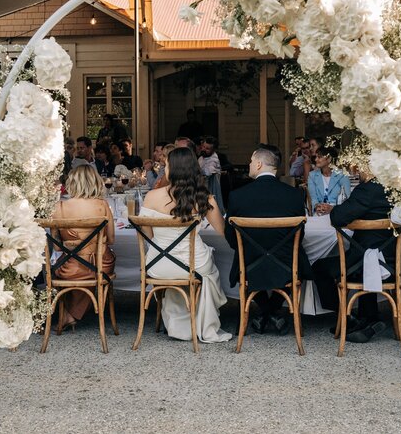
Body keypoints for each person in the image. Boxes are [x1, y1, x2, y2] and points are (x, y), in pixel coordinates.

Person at [137, 147, 231, 343]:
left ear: (173, 169)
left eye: (167, 165)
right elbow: (223, 232)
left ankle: (179, 323)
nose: (165, 168)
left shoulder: (151, 197)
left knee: (187, 267)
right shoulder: (204, 198)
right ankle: (200, 320)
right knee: (210, 270)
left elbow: (149, 234)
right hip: (193, 265)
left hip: (158, 266)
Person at [313, 163, 401, 343]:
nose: (356, 171)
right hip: (395, 262)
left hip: (366, 262)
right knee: (366, 254)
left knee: (320, 267)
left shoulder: (368, 190)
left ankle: (346, 316)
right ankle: (369, 317)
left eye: (359, 167)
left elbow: (338, 217)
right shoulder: (398, 188)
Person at [224, 144, 310, 334]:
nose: (249, 164)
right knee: (299, 263)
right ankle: (273, 311)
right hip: (287, 265)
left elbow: (230, 237)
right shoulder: (295, 195)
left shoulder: (238, 196)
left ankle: (265, 311)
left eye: (251, 161)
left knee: (245, 263)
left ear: (260, 165)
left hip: (250, 266)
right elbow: (299, 236)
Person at [50, 165, 116, 328]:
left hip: (70, 269)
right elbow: (112, 239)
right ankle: (71, 315)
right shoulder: (102, 205)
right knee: (92, 268)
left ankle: (67, 314)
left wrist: (72, 243)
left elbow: (57, 248)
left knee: (68, 268)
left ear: (72, 182)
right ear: (95, 182)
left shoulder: (59, 207)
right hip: (101, 266)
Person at [307, 146, 351, 216]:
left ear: (329, 159)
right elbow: (313, 198)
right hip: (319, 212)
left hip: (338, 212)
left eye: (319, 157)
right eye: (316, 157)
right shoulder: (312, 176)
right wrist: (317, 206)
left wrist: (333, 208)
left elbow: (348, 199)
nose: (316, 159)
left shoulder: (342, 175)